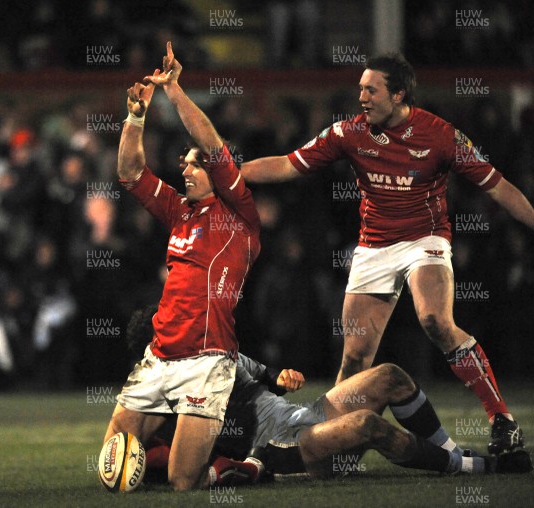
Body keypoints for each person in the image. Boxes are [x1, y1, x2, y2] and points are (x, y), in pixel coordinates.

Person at [240, 53, 534, 456]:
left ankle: (501, 419)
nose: (361, 96)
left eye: (370, 89)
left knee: (434, 319)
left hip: (425, 240)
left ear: (398, 95)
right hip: (374, 245)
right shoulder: (348, 133)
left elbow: (498, 187)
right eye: (360, 88)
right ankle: (334, 451)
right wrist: (231, 175)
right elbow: (289, 165)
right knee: (355, 358)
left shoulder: (440, 135)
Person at [123, 306, 533, 486]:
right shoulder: (164, 391)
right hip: (286, 450)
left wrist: (281, 376)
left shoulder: (215, 350)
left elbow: (267, 376)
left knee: (390, 376)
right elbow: (155, 450)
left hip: (301, 416)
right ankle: (477, 469)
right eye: (171, 326)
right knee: (367, 425)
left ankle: (454, 452)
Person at [103, 42, 261, 492]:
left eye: (195, 166)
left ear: (218, 172)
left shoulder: (239, 213)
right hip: (159, 355)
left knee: (181, 481)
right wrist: (135, 117)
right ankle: (183, 451)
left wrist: (173, 90)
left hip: (207, 360)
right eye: (184, 164)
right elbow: (130, 173)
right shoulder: (178, 210)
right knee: (113, 460)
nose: (186, 170)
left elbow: (210, 141)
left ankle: (241, 465)